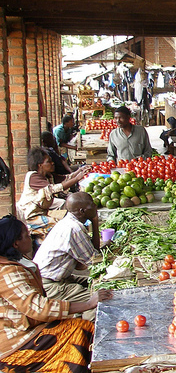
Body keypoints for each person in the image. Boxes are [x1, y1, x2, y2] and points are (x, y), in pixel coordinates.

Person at [0, 215, 112, 372]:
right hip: (17, 343)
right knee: (80, 330)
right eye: (26, 236)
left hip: (31, 328)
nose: (30, 238)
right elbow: (38, 308)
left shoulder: (17, 262)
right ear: (15, 243)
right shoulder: (8, 272)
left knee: (78, 324)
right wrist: (88, 304)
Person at [33, 192, 100, 320]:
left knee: (92, 282)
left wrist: (93, 220)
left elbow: (86, 260)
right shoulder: (74, 228)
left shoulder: (68, 221)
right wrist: (95, 221)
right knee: (99, 298)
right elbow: (94, 260)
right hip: (50, 285)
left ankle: (80, 315)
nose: (95, 205)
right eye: (92, 204)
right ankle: (87, 325)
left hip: (54, 278)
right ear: (82, 211)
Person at [16, 148, 90, 241]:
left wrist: (79, 171)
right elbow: (53, 189)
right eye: (49, 162)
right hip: (29, 215)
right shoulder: (33, 176)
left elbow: (65, 178)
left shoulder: (48, 176)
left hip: (41, 212)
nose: (52, 163)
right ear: (40, 165)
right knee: (59, 225)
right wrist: (77, 179)